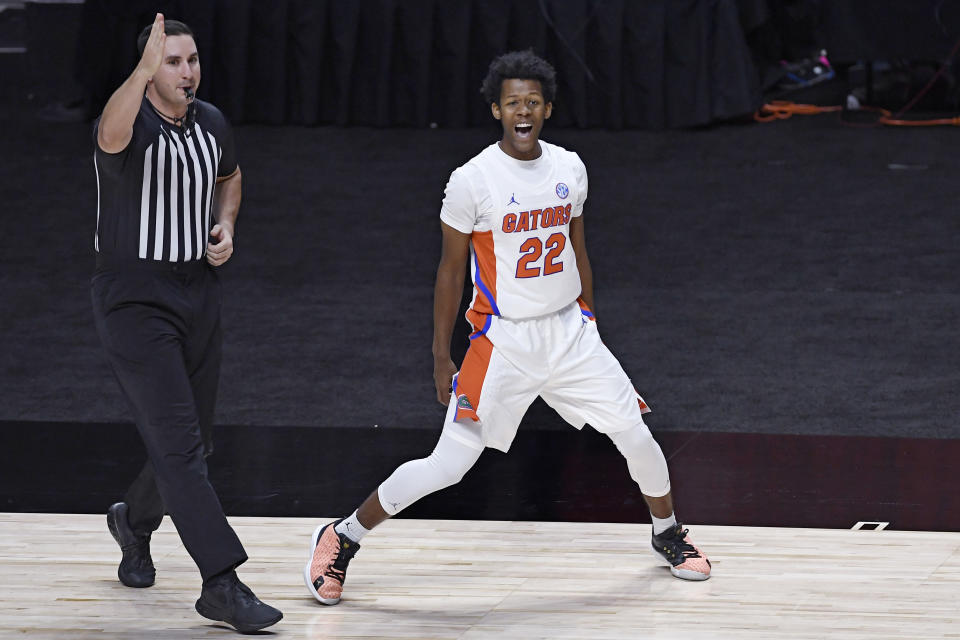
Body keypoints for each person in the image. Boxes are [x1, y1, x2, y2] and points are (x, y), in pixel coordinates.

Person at [304, 50, 711, 607]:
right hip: (504, 341)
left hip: (570, 333)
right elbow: (449, 273)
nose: (524, 111)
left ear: (547, 109)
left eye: (534, 102)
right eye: (513, 102)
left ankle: (667, 533)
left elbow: (578, 249)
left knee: (637, 436)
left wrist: (588, 319)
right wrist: (440, 356)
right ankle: (341, 535)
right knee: (448, 465)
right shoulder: (472, 180)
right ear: (497, 110)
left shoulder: (570, 167)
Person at [91, 13, 282, 633]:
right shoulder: (128, 122)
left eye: (191, 59)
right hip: (135, 297)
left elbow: (231, 178)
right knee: (179, 444)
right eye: (171, 61)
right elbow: (109, 134)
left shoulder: (212, 122)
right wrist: (141, 69)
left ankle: (134, 522)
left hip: (198, 291)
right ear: (148, 69)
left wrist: (226, 223)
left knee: (192, 443)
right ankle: (221, 584)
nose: (186, 71)